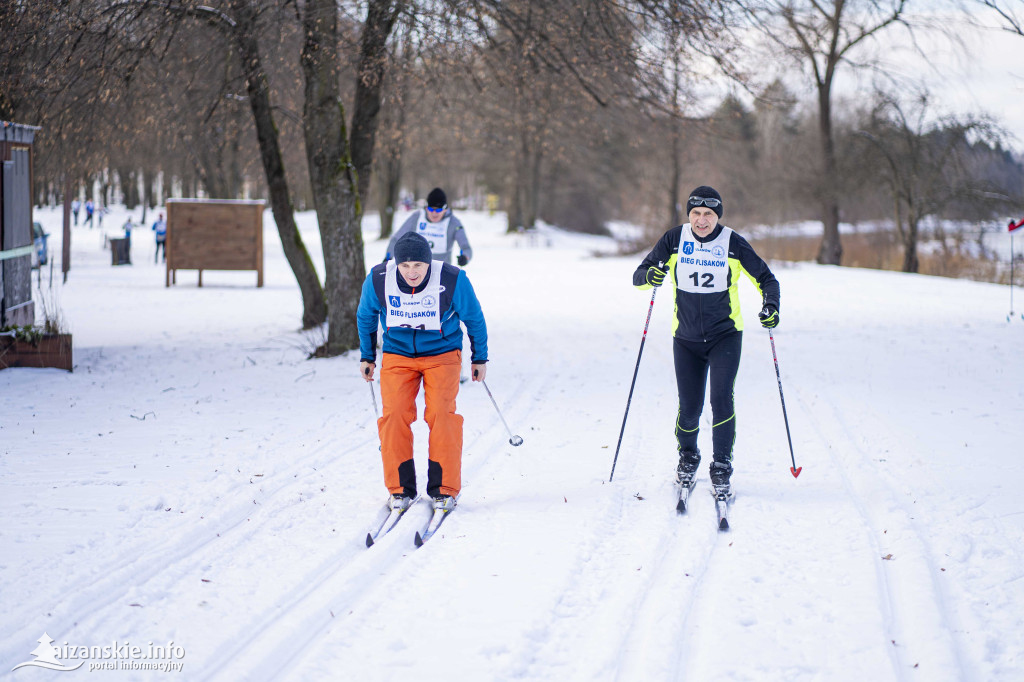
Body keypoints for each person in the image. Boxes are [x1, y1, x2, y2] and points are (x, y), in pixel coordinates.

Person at [632, 186, 780, 499]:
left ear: (717, 216)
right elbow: (639, 274)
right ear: (689, 215)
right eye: (696, 214)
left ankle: (722, 465)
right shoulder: (674, 239)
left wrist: (771, 306)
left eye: (709, 214)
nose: (702, 220)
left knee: (721, 399)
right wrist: (651, 277)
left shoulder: (733, 243)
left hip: (724, 335)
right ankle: (688, 456)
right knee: (690, 408)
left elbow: (767, 280)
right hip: (685, 339)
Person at [357, 231, 488, 512]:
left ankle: (444, 489)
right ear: (395, 264)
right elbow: (366, 315)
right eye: (404, 266)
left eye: (418, 265)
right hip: (397, 355)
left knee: (441, 414)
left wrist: (480, 358)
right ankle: (400, 489)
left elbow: (474, 318)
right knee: (393, 416)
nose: (411, 272)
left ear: (429, 262)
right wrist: (367, 355)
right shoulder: (379, 279)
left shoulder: (453, 278)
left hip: (442, 354)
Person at [384, 187, 473, 266]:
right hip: (417, 271)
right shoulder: (417, 217)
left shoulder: (453, 223)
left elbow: (466, 247)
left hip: (442, 270)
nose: (434, 213)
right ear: (426, 208)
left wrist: (465, 257)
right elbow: (397, 238)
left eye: (438, 210)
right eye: (431, 209)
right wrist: (388, 257)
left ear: (445, 209)